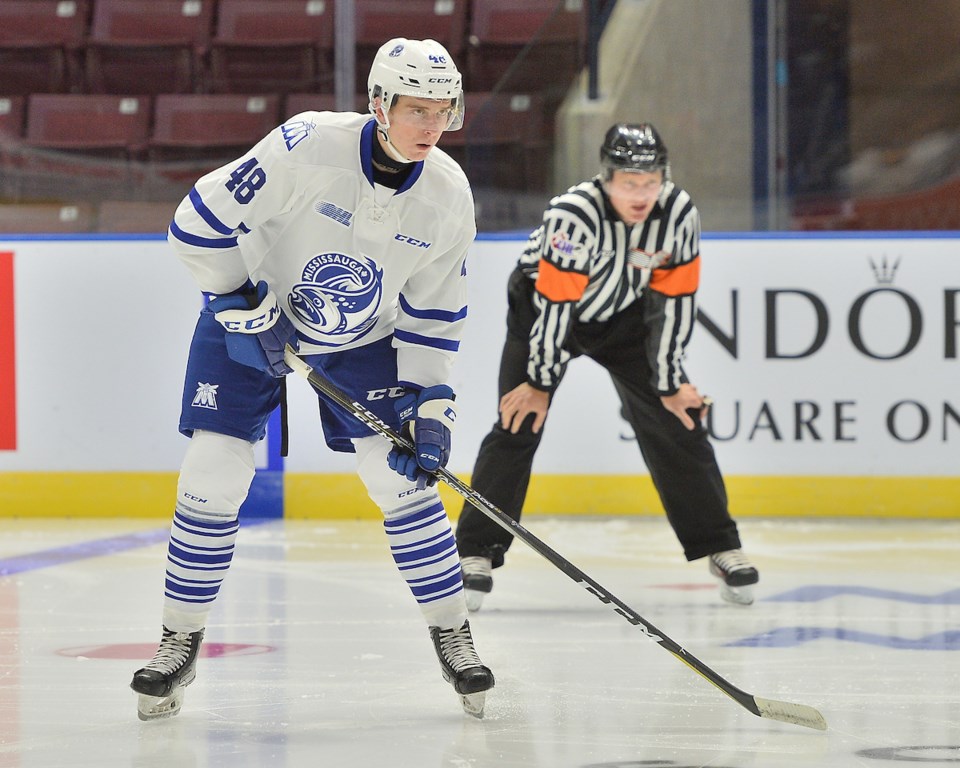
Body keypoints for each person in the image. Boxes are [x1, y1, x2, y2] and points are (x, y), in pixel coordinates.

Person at [130, 38, 494, 721]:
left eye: (442, 110)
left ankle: (454, 632)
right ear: (379, 103)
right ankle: (178, 639)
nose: (430, 126)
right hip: (246, 313)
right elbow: (194, 226)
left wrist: (432, 408)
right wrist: (238, 298)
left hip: (365, 338)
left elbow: (434, 316)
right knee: (213, 472)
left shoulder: (447, 195)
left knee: (399, 478)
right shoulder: (306, 145)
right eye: (415, 109)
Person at [455, 123, 759, 611]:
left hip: (624, 316)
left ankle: (721, 545)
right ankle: (475, 552)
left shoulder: (678, 212)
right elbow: (555, 306)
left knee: (677, 417)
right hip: (544, 312)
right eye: (629, 183)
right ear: (607, 178)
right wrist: (538, 382)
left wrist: (669, 380)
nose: (641, 193)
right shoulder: (573, 216)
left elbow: (675, 301)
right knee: (519, 419)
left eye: (650, 181)